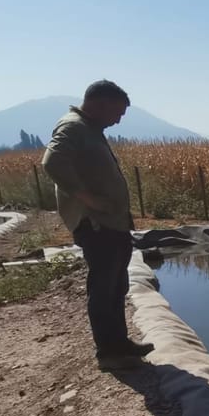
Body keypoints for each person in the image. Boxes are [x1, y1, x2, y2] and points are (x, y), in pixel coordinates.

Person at [42, 80, 153, 371]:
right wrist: (87, 198)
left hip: (111, 223)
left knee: (117, 286)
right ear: (101, 103)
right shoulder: (73, 127)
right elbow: (53, 162)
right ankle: (109, 353)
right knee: (104, 289)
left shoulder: (90, 128)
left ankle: (120, 344)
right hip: (96, 224)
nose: (118, 120)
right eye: (117, 112)